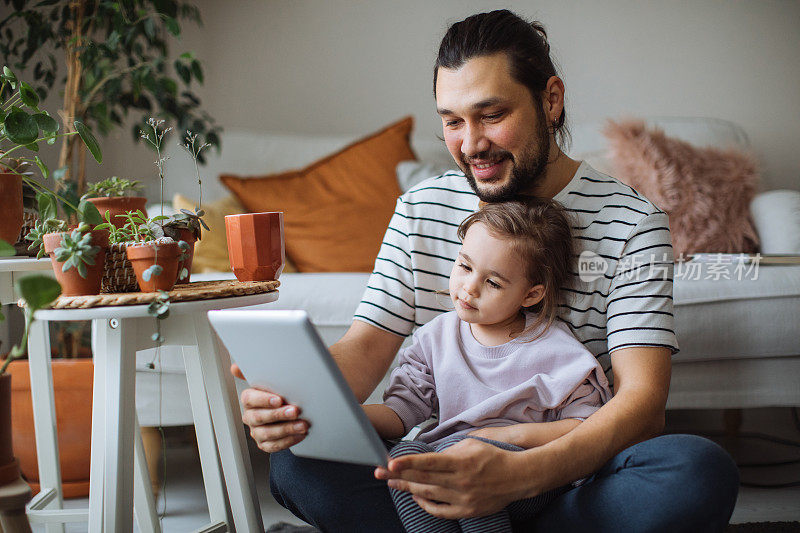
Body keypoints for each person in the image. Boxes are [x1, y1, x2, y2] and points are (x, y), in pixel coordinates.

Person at [237, 9, 740, 532]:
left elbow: (642, 406)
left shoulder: (633, 222)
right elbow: (366, 348)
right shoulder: (420, 208)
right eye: (452, 121)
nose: (471, 144)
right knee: (298, 459)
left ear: (551, 100)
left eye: (491, 114)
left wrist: (519, 474)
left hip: (567, 470)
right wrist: (296, 402)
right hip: (442, 467)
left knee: (697, 471)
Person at [364, 199, 613, 533]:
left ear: (530, 295)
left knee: (458, 452)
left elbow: (586, 427)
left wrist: (496, 437)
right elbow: (400, 413)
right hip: (443, 463)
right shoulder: (434, 338)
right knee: (408, 454)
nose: (469, 288)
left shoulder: (559, 351)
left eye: (493, 283)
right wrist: (339, 414)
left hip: (523, 473)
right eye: (465, 267)